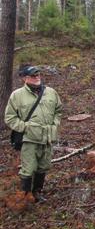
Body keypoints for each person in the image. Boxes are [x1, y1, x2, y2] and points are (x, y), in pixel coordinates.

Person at [5, 64, 62, 202]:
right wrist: (26, 127)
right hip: (29, 139)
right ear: (25, 78)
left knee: (43, 166)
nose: (37, 77)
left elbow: (58, 110)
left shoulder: (51, 92)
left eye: (38, 75)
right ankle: (25, 195)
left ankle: (37, 193)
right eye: (33, 76)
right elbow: (10, 118)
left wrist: (55, 125)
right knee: (28, 168)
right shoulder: (17, 95)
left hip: (47, 138)